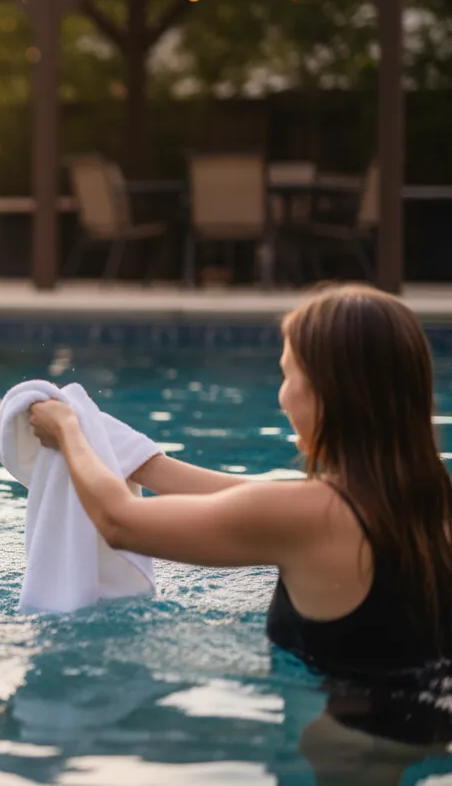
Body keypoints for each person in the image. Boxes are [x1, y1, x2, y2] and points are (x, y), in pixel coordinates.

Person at [28, 283, 452, 775]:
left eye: (287, 374)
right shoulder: (430, 501)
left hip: (336, 759)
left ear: (326, 394)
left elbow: (119, 522)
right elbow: (247, 499)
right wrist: (140, 459)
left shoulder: (310, 514)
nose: (283, 395)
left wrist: (69, 432)